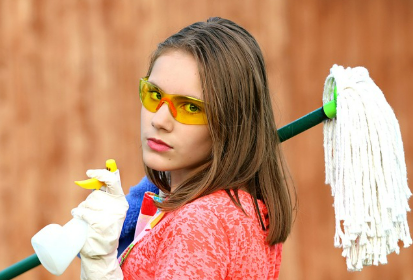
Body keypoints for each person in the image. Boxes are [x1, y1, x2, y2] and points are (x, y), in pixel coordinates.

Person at [72, 17, 295, 280]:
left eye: (190, 107)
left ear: (232, 122)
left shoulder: (201, 223)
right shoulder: (240, 209)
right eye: (155, 95)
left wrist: (99, 268)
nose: (159, 120)